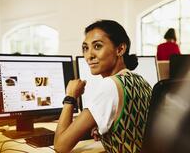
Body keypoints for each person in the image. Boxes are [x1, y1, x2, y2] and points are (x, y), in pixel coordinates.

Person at [54, 20, 152, 153]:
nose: (89, 55)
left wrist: (70, 97)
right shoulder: (140, 80)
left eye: (97, 46)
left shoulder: (109, 85)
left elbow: (61, 146)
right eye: (85, 48)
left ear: (120, 49)